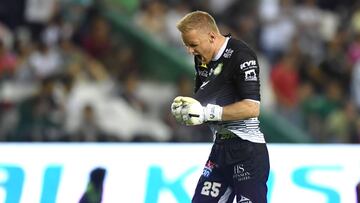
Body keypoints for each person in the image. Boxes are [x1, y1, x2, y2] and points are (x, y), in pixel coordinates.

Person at [171, 11, 270, 203]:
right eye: (187, 46)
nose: (190, 51)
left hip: (247, 152)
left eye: (193, 45)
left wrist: (206, 112)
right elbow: (204, 103)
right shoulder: (202, 58)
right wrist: (188, 111)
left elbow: (252, 108)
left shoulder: (241, 55)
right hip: (219, 151)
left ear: (211, 36)